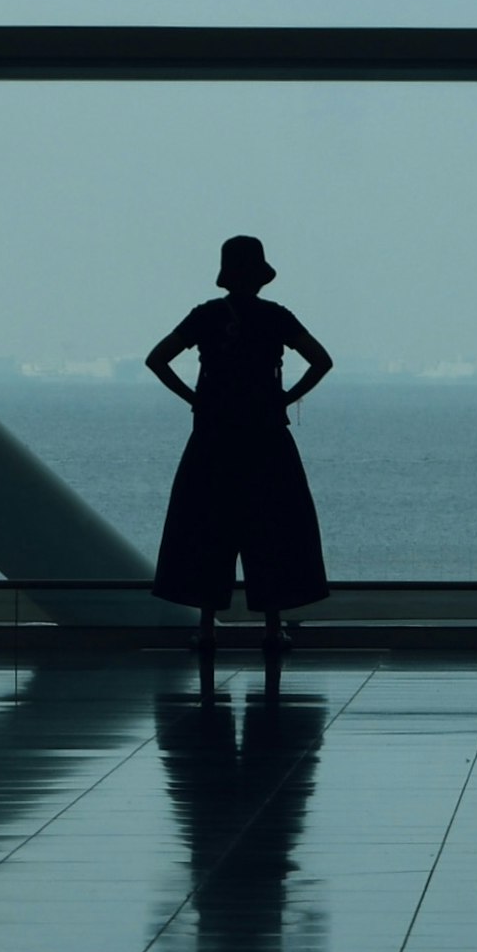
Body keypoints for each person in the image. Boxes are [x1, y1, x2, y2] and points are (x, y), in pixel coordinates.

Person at [147, 234, 335, 668]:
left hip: (212, 439)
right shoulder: (276, 318)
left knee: (204, 530)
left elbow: (157, 359)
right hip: (266, 438)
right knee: (274, 531)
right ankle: (272, 627)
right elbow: (321, 360)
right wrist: (285, 398)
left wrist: (194, 399)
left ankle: (208, 628)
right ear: (261, 276)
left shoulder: (205, 316)